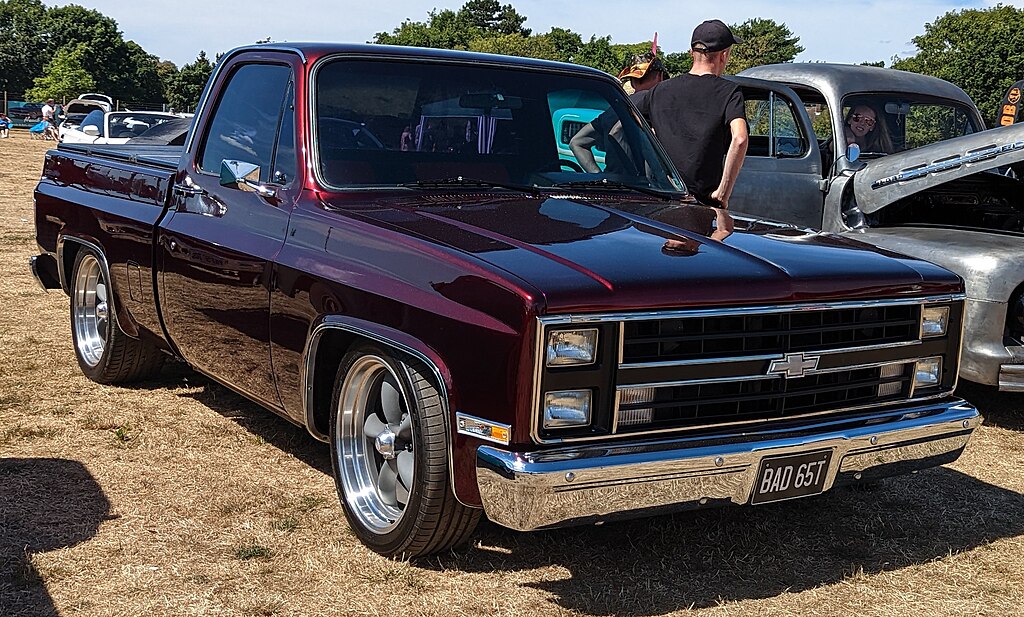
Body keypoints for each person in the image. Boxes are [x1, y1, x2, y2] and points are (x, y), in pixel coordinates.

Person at [632, 19, 749, 209]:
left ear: (691, 53)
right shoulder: (729, 92)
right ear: (724, 55)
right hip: (703, 203)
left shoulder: (659, 91)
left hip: (661, 197)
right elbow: (740, 138)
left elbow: (632, 123)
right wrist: (722, 193)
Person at [568, 52, 668, 173]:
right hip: (641, 190)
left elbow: (576, 143)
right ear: (660, 76)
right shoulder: (658, 107)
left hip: (612, 186)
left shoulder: (615, 109)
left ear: (631, 81)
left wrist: (599, 176)